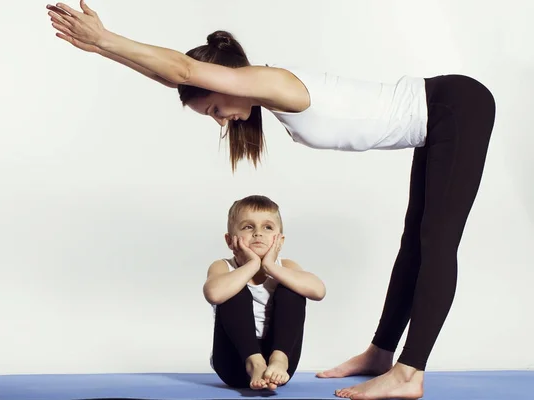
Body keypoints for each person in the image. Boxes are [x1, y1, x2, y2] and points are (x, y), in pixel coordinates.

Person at [45, 2, 497, 399]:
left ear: (226, 81)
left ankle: (409, 371)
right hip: (439, 116)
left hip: (454, 107)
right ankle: (381, 355)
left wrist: (105, 37)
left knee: (437, 243)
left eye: (215, 110)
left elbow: (181, 70)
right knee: (415, 243)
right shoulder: (267, 93)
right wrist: (101, 51)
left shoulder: (272, 82)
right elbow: (177, 79)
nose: (221, 122)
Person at [204, 194, 326, 390]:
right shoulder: (222, 266)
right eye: (248, 227)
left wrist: (269, 265)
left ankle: (279, 358)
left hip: (279, 361)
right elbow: (214, 294)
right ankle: (254, 362)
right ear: (229, 240)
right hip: (234, 362)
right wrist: (253, 264)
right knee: (234, 289)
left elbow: (318, 291)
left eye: (267, 227)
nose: (258, 233)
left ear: (280, 240)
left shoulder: (286, 266)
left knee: (291, 288)